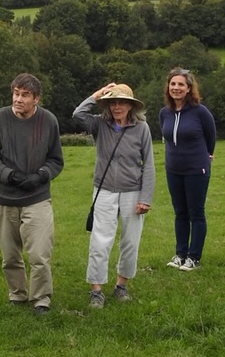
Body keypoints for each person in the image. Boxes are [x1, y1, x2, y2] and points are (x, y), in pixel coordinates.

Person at [0, 73, 64, 315]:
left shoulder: (49, 121)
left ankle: (41, 300)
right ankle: (17, 294)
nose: (18, 99)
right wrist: (9, 175)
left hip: (37, 197)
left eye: (25, 95)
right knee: (10, 256)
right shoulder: (0, 117)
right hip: (4, 197)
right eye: (16, 94)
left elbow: (56, 160)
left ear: (36, 99)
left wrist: (41, 175)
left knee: (39, 253)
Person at [74, 83, 156, 307]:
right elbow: (78, 114)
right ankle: (97, 290)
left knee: (130, 241)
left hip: (133, 191)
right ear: (108, 105)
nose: (117, 106)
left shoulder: (142, 128)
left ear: (131, 106)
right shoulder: (99, 124)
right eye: (113, 102)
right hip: (104, 190)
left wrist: (146, 197)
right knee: (100, 241)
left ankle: (122, 286)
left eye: (122, 102)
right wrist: (97, 93)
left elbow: (148, 164)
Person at [159, 67, 216, 271]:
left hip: (196, 170)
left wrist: (207, 156)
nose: (176, 88)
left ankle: (194, 257)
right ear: (168, 87)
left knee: (196, 214)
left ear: (189, 88)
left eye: (181, 84)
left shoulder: (200, 112)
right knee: (180, 213)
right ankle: (180, 254)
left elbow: (211, 136)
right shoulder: (164, 113)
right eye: (173, 84)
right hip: (173, 170)